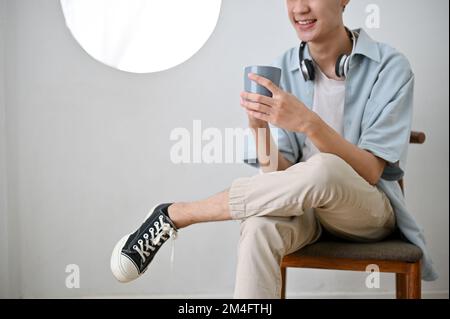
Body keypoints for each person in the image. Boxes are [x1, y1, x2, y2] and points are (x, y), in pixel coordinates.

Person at [110, 0, 437, 299]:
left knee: (324, 167)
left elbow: (370, 171)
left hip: (367, 210)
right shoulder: (282, 68)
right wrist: (258, 127)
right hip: (306, 208)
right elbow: (279, 180)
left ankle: (178, 214)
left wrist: (309, 122)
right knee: (258, 226)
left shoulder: (389, 66)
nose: (300, 8)